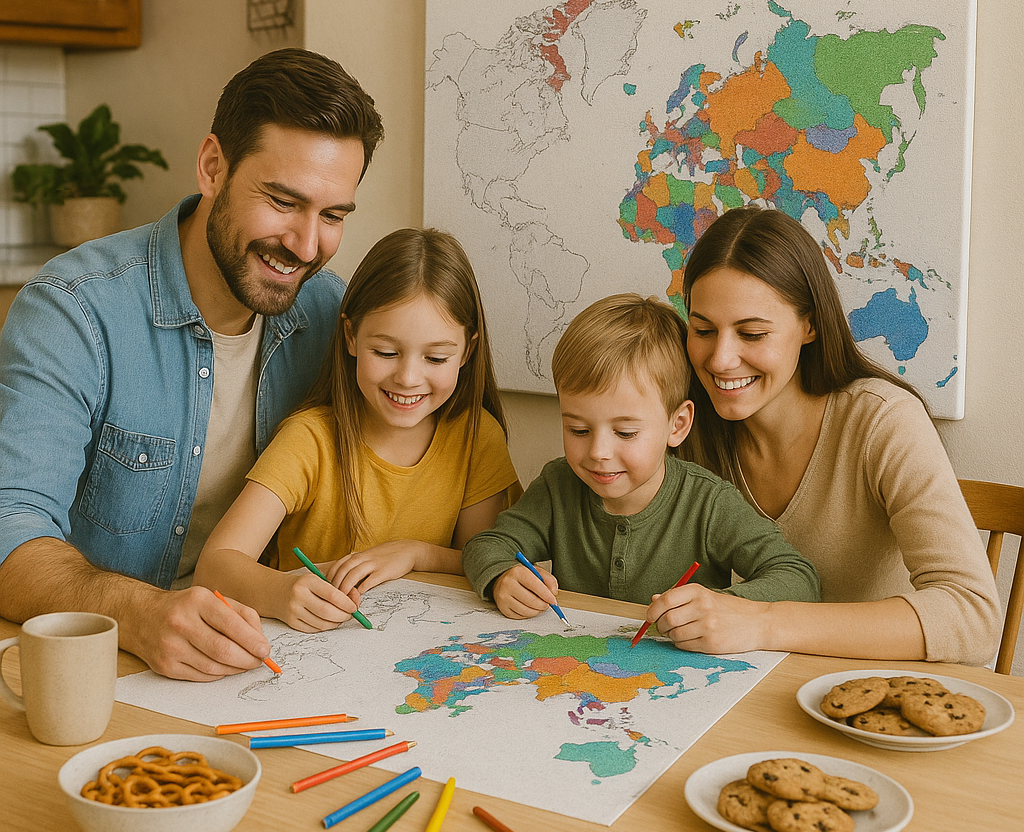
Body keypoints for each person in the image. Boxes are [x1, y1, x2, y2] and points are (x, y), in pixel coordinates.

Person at [0, 48, 385, 680]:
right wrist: (139, 612)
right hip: (106, 662)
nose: (306, 245)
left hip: (273, 659)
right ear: (212, 168)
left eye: (333, 215)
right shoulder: (72, 310)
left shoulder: (330, 315)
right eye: (282, 201)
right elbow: (10, 528)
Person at [678, 204, 1000, 665]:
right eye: (703, 330)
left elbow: (973, 618)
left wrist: (763, 622)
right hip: (740, 687)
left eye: (752, 334)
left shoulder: (883, 421)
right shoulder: (685, 424)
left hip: (870, 690)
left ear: (809, 325)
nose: (720, 359)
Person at [196, 228, 521, 632]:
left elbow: (483, 558)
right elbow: (214, 566)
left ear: (467, 351)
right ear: (351, 336)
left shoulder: (476, 436)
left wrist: (414, 554)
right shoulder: (309, 440)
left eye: (436, 358)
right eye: (386, 352)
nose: (408, 378)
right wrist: (280, 591)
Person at [461, 293, 819, 643]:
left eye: (625, 433)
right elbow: (487, 545)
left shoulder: (709, 503)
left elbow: (798, 577)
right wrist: (502, 576)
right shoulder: (558, 485)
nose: (599, 452)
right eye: (578, 430)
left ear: (677, 425)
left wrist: (726, 606)